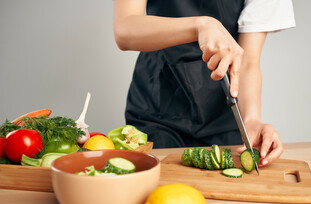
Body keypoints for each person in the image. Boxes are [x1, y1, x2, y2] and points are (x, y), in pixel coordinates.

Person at [113, 0, 295, 167]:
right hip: (157, 107)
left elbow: (247, 62)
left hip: (223, 115)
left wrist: (252, 119)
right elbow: (124, 29)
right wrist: (201, 25)